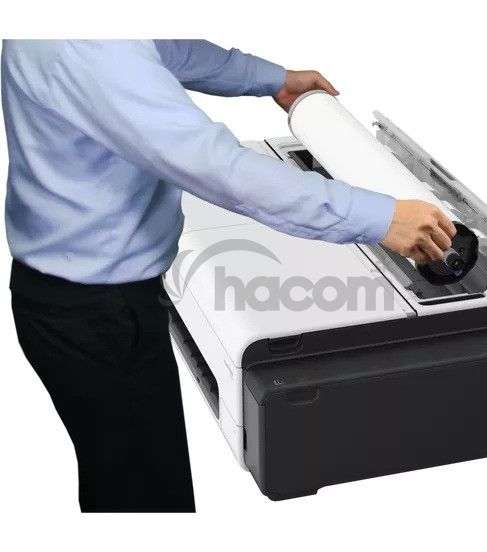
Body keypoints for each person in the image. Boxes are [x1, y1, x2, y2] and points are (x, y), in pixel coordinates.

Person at [1, 40, 456, 513]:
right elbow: (223, 170)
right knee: (143, 492)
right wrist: (381, 218)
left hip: (72, 289)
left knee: (121, 468)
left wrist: (271, 78)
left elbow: (166, 48)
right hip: (98, 314)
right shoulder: (94, 50)